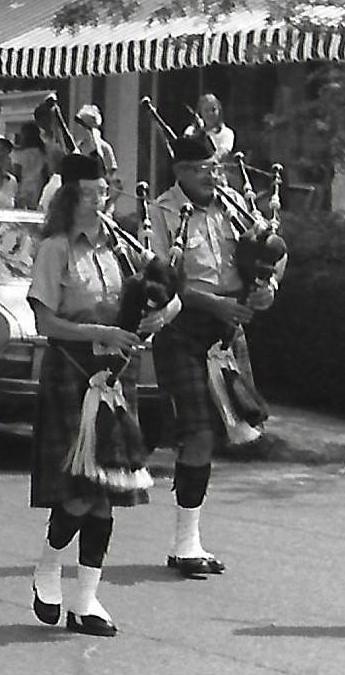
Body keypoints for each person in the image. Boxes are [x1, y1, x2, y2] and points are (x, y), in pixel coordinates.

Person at [26, 153, 174, 635]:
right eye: (89, 192)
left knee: (106, 492)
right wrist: (100, 332)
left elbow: (170, 294)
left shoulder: (122, 246)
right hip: (73, 369)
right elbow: (44, 321)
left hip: (117, 374)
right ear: (69, 196)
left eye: (103, 190)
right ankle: (49, 566)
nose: (100, 198)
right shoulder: (55, 248)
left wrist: (159, 316)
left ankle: (86, 600)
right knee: (77, 495)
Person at [144, 128, 277, 577]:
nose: (212, 177)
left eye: (215, 168)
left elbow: (271, 256)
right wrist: (213, 302)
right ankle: (186, 544)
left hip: (227, 330)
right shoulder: (160, 213)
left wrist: (266, 290)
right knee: (196, 433)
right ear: (180, 171)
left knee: (221, 434)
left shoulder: (236, 207)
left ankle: (190, 539)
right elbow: (162, 278)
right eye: (203, 170)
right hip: (183, 329)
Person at [11, 122, 51, 210]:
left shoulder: (19, 154)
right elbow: (46, 171)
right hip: (39, 185)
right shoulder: (43, 152)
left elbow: (17, 173)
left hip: (24, 186)